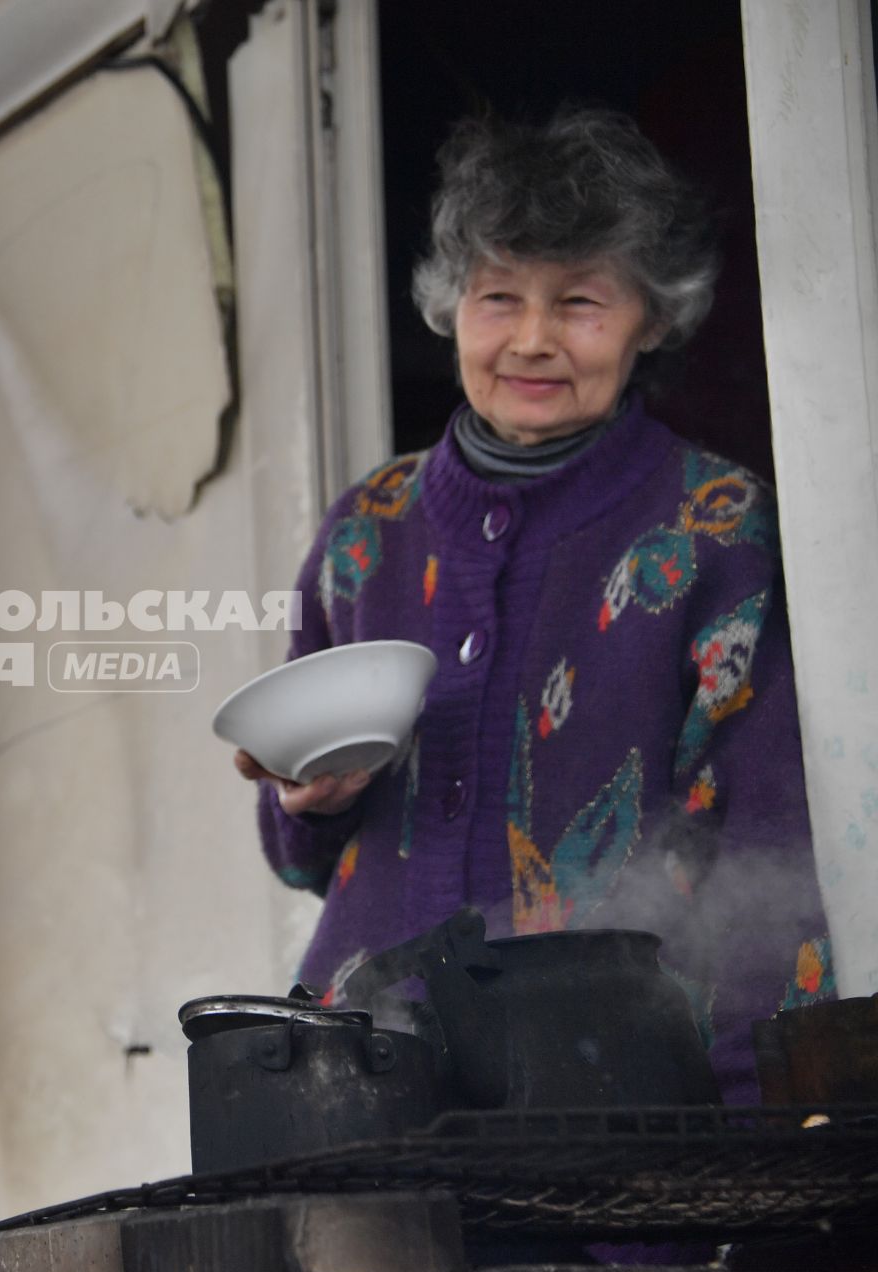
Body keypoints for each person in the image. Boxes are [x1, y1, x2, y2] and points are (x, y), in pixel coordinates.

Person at [236, 110, 833, 1107]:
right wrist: (308, 797)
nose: (531, 339)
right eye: (497, 295)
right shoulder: (366, 533)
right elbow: (299, 856)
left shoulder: (715, 529)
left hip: (615, 1090)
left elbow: (767, 855)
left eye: (583, 302)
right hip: (368, 1091)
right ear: (450, 305)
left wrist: (739, 1113)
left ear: (656, 315)